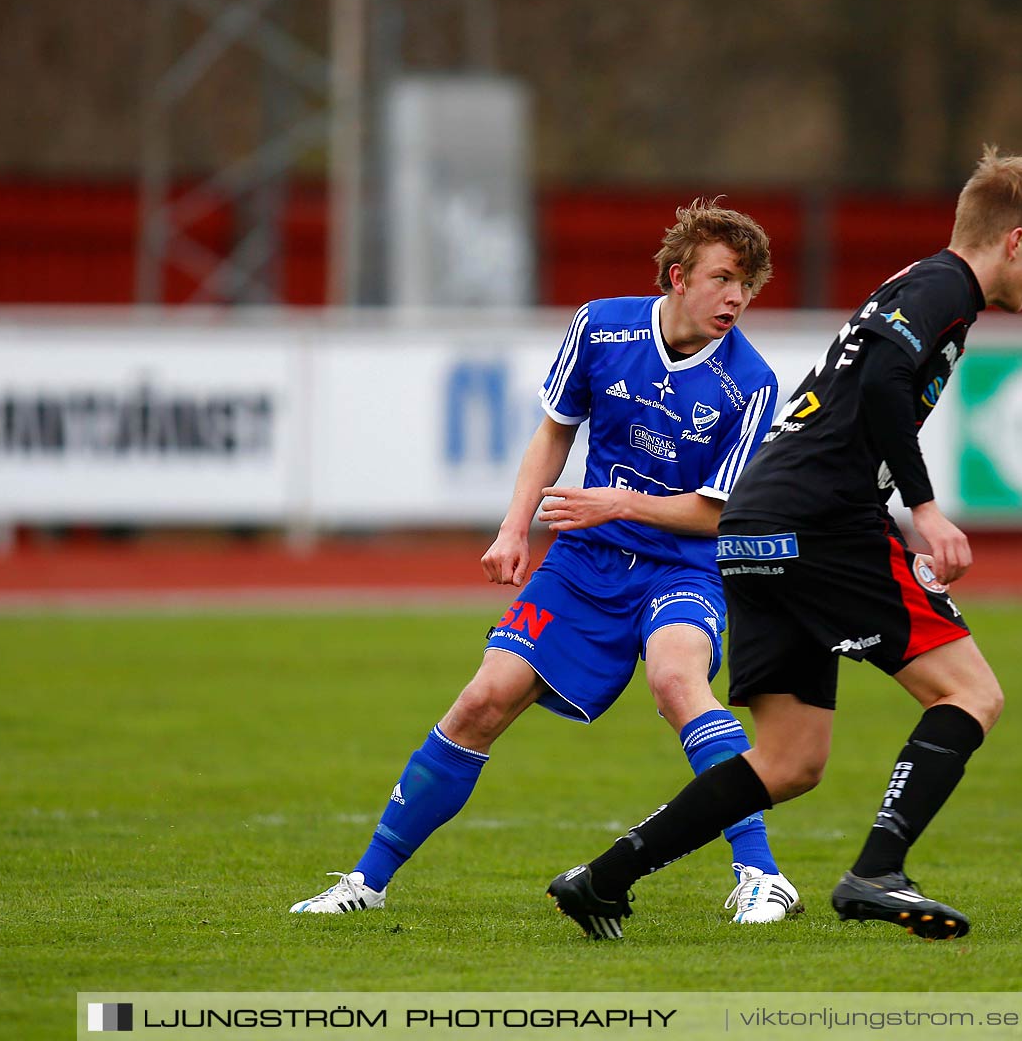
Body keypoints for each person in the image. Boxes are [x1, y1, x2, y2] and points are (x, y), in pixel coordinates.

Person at [546, 146, 1022, 942]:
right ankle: (877, 871)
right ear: (1016, 239)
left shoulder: (918, 285)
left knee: (791, 762)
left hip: (757, 523)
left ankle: (603, 879)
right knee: (972, 694)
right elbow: (888, 383)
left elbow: (872, 383)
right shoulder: (943, 286)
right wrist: (926, 509)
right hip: (822, 520)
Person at [290, 200, 800, 922]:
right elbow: (554, 432)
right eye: (723, 279)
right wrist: (513, 527)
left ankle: (761, 876)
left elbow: (715, 513)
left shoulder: (749, 382)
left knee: (678, 679)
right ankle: (365, 885)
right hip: (586, 560)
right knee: (480, 701)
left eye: (748, 285)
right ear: (679, 277)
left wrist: (615, 503)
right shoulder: (601, 325)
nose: (736, 298)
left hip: (685, 566)